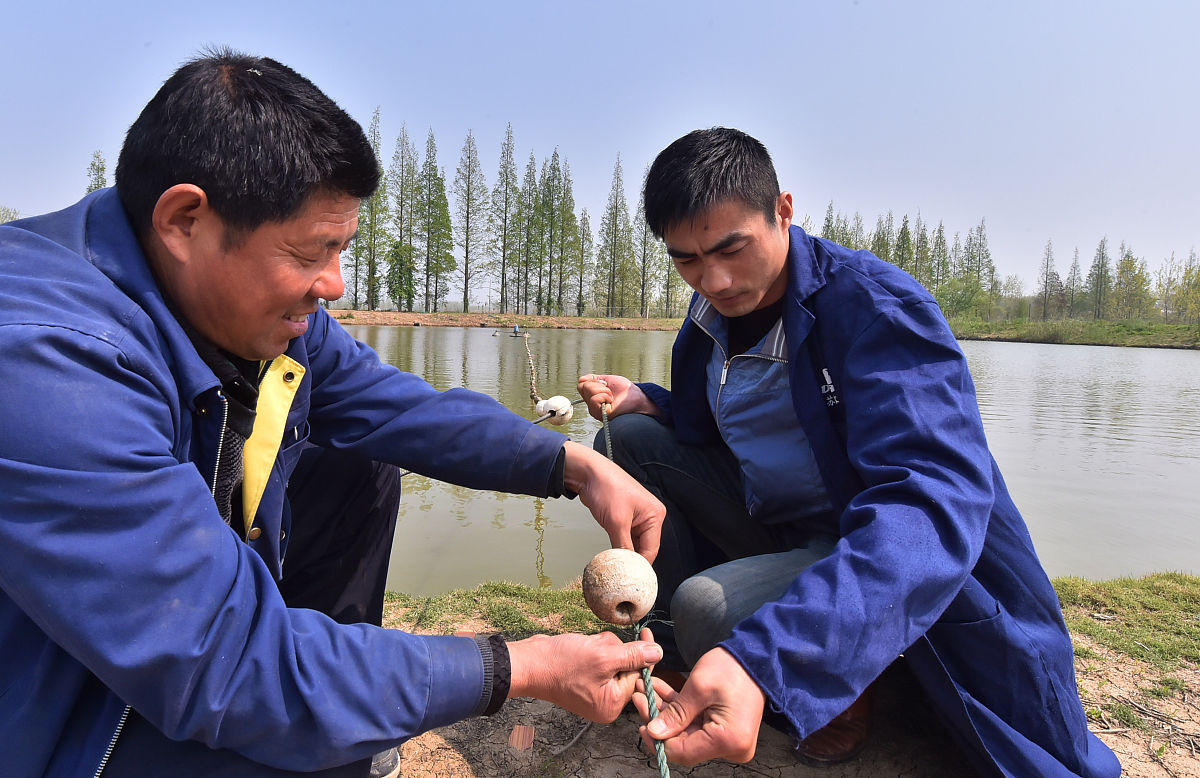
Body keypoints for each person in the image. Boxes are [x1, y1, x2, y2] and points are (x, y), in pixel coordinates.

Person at [0, 49, 665, 778]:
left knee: (358, 463)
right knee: (266, 697)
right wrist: (516, 666)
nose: (335, 285)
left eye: (344, 248)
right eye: (314, 250)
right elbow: (225, 664)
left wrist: (572, 464)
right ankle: (323, 722)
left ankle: (341, 709)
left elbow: (399, 408)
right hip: (62, 720)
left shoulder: (252, 309)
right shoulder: (44, 364)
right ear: (185, 219)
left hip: (153, 637)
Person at [578, 127, 1121, 777]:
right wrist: (649, 399)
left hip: (865, 537)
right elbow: (715, 423)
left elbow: (928, 504)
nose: (714, 279)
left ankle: (840, 683)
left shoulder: (874, 308)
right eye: (687, 260)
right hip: (779, 515)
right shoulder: (709, 316)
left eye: (731, 248)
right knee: (627, 442)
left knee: (708, 609)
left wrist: (770, 654)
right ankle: (658, 661)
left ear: (783, 210)